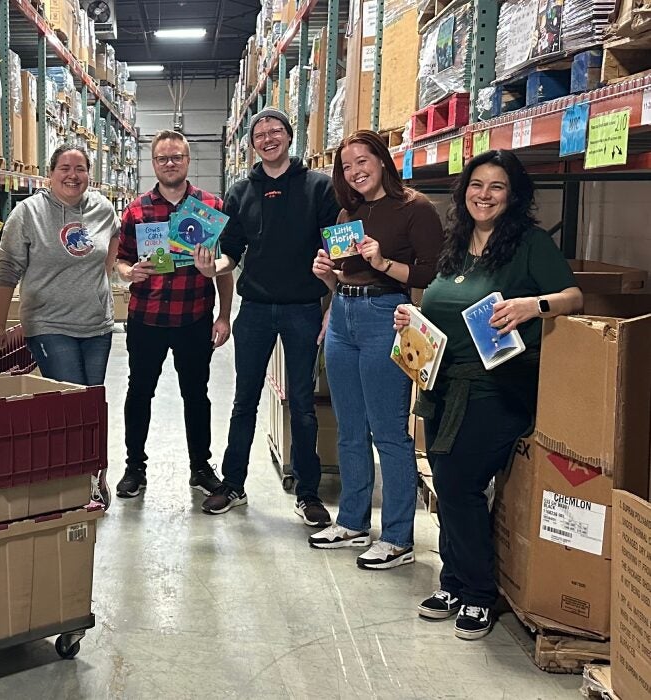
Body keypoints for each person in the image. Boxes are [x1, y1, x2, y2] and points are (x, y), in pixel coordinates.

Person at [395, 150, 581, 639]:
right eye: (477, 185)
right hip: (443, 381)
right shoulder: (456, 245)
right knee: (449, 483)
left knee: (459, 486)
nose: (484, 195)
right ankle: (454, 582)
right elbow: (440, 302)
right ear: (465, 192)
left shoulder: (529, 245)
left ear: (513, 194)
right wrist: (411, 321)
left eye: (496, 186)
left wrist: (531, 305)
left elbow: (572, 296)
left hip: (497, 385)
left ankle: (479, 594)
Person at [195, 108, 340, 520]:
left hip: (303, 310)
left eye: (275, 130)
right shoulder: (240, 193)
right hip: (255, 310)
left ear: (289, 137)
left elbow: (337, 250)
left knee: (302, 404)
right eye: (260, 133)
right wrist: (213, 268)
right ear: (253, 144)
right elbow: (230, 254)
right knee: (244, 401)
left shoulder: (319, 187)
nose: (267, 138)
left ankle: (308, 492)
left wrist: (332, 304)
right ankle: (233, 484)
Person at [308, 130, 443, 569]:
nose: (355, 171)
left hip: (386, 315)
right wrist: (328, 274)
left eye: (362, 161)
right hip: (344, 314)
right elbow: (348, 275)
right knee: (349, 427)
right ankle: (352, 520)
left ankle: (399, 537)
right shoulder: (350, 211)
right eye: (347, 166)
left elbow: (429, 274)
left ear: (383, 161)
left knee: (388, 430)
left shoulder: (415, 208)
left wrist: (383, 263)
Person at [112, 129, 233, 500]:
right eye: (163, 158)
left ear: (187, 160)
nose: (170, 163)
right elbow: (120, 259)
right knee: (139, 392)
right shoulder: (136, 210)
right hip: (146, 317)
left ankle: (200, 467)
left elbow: (227, 265)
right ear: (153, 164)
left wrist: (224, 316)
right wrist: (128, 273)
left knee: (196, 394)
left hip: (193, 316)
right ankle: (135, 467)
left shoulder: (211, 206)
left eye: (176, 157)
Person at [0, 145, 119, 386]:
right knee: (72, 395)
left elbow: (115, 236)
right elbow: (7, 271)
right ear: (51, 174)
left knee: (92, 400)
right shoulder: (28, 212)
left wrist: (105, 279)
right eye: (64, 168)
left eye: (80, 169)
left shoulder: (103, 209)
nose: (73, 175)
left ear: (89, 174)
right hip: (48, 323)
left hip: (97, 325)